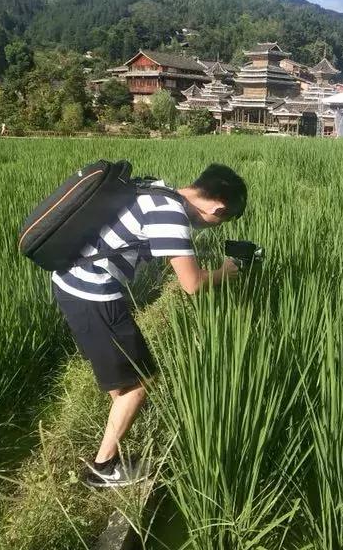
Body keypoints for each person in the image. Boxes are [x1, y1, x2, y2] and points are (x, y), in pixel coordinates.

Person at [52, 163, 247, 487]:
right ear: (218, 208)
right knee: (142, 381)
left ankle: (117, 430)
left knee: (124, 379)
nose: (214, 227)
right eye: (221, 221)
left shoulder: (158, 189)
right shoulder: (170, 215)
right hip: (93, 293)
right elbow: (192, 284)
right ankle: (103, 469)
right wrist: (225, 272)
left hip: (72, 281)